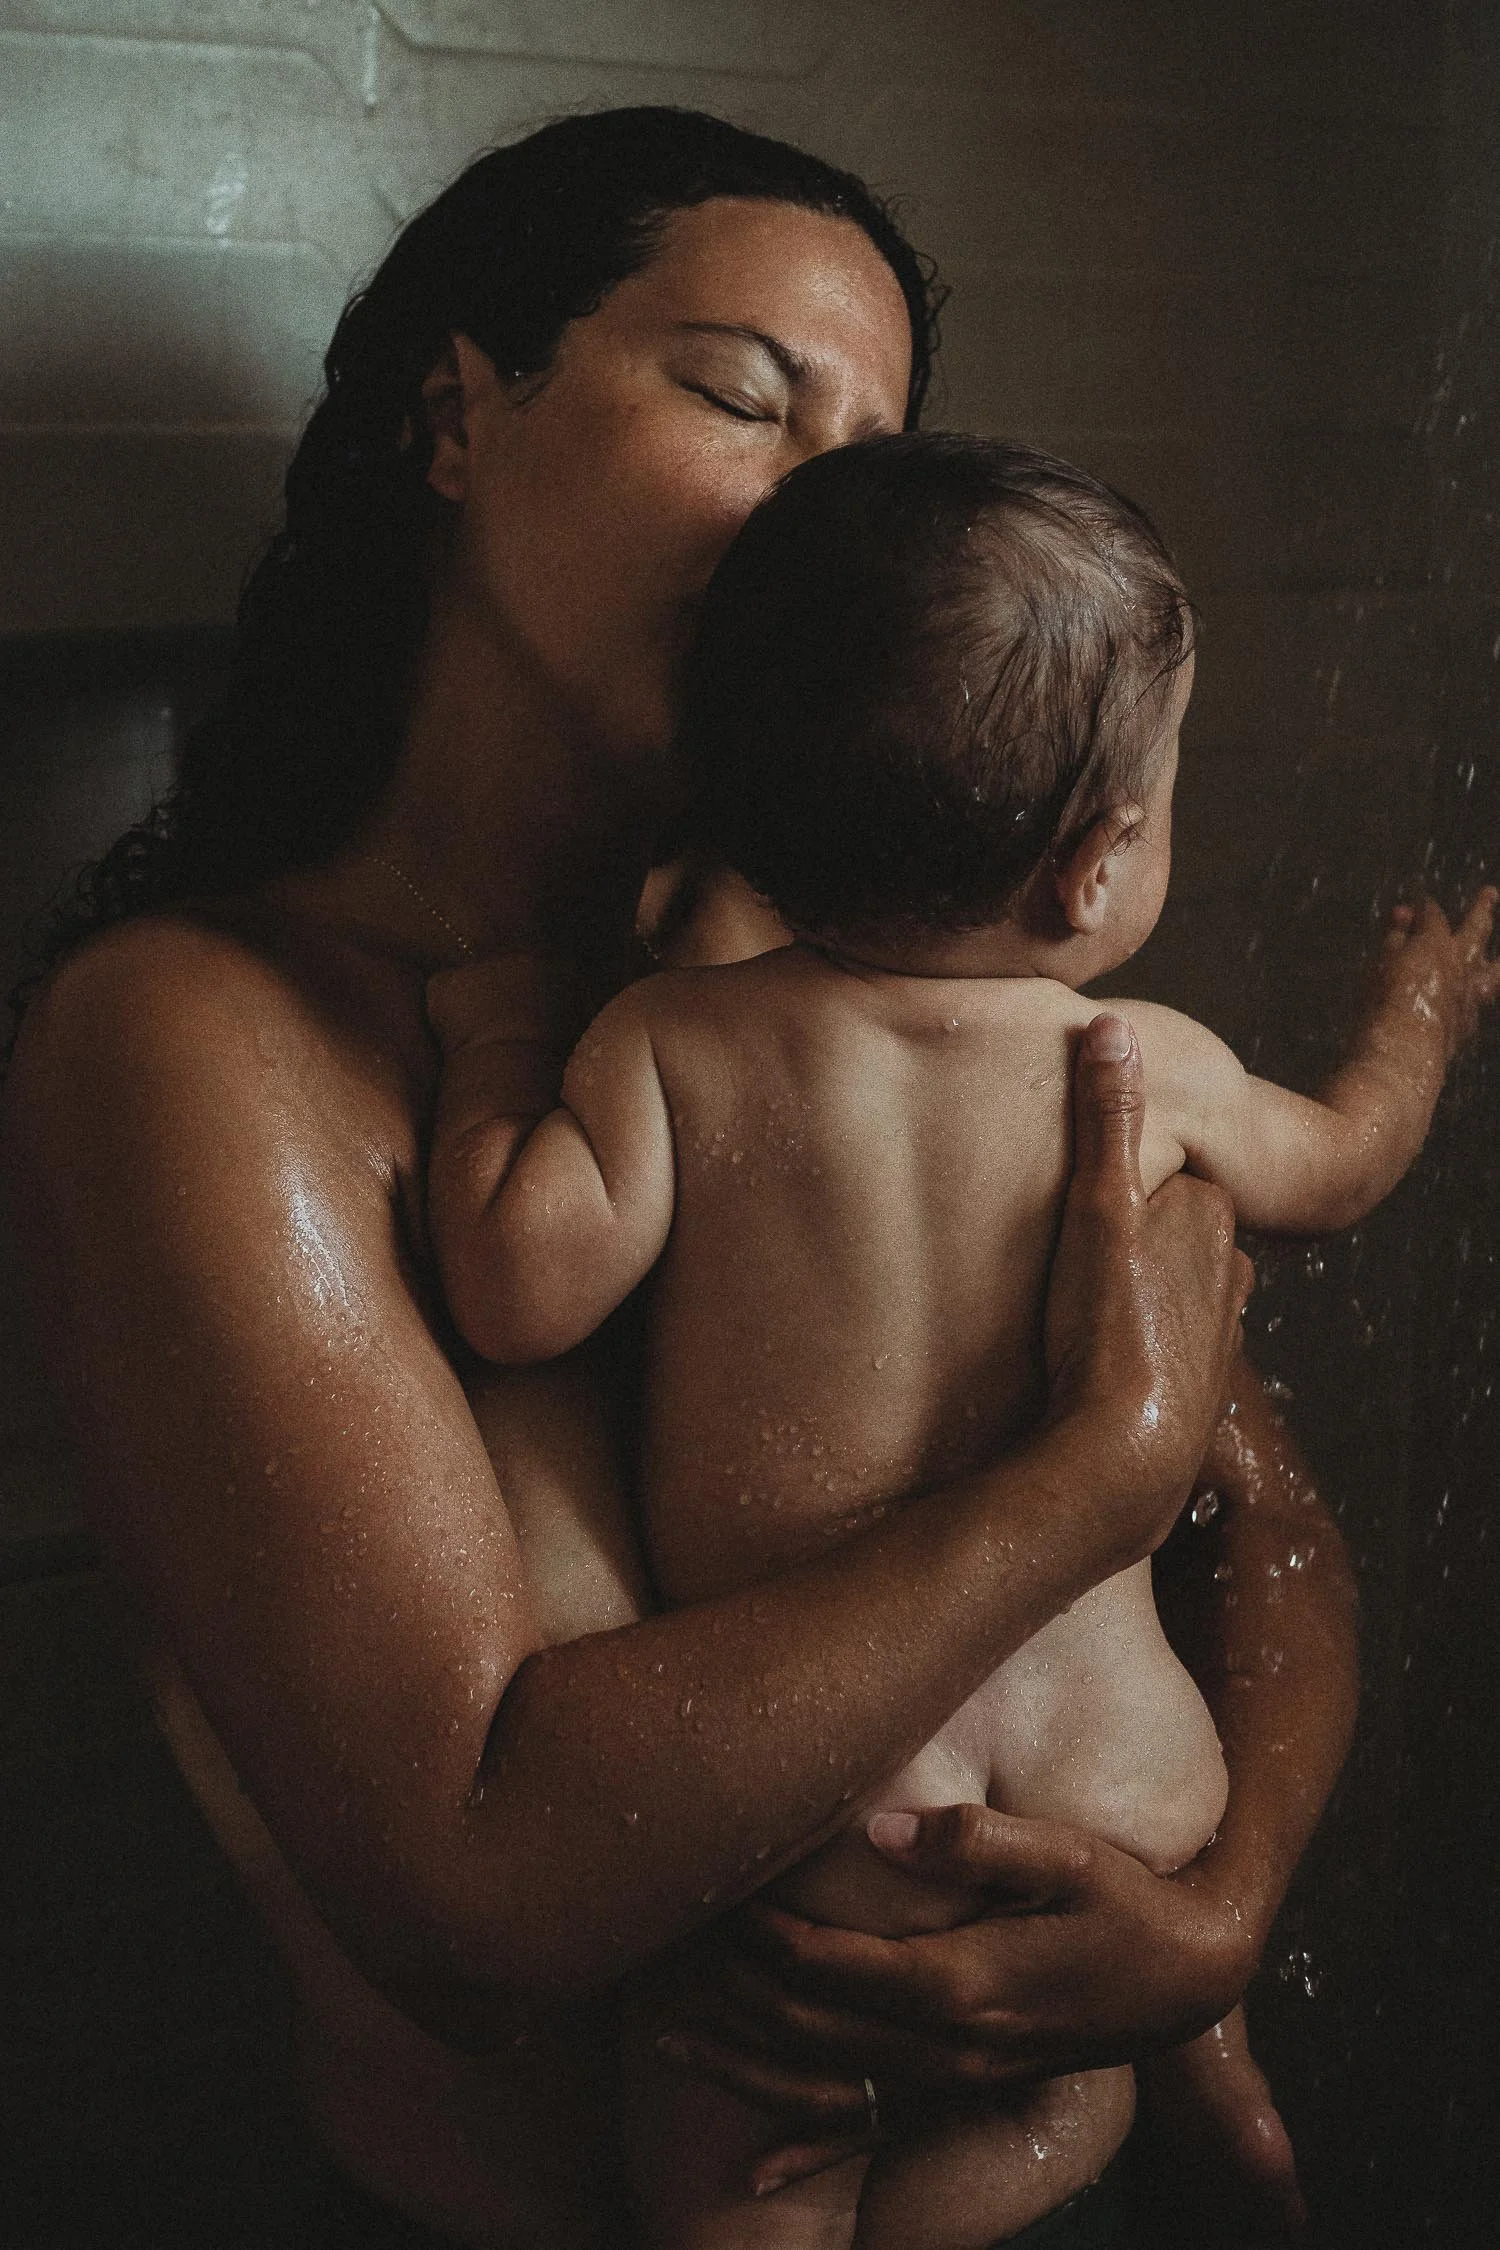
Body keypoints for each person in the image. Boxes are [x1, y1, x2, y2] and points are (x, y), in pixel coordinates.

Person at [1, 110, 1356, 2250]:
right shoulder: (200, 1035)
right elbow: (485, 1872)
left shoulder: (861, 1002)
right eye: (741, 393)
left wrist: (1215, 1917)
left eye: (876, 449)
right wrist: (1075, 1486)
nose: (820, 504)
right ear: (457, 420)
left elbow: (1259, 1533)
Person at [423, 433, 1484, 2246]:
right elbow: (1350, 1165)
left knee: (743, 2181)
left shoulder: (677, 1043)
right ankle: (1156, 2093)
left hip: (822, 1826)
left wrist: (498, 1053)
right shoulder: (1140, 1069)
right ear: (1093, 869)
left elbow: (522, 1283)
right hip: (1119, 1790)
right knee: (1076, 2086)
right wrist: (1423, 1021)